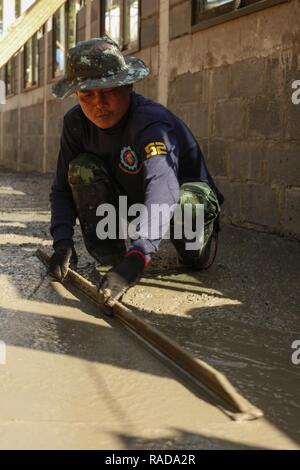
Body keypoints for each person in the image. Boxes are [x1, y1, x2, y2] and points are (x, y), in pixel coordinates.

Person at [49, 37, 224, 309]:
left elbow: (163, 188)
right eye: (87, 95)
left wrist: (139, 255)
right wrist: (62, 242)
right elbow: (61, 187)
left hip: (180, 198)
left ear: (127, 85)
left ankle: (193, 249)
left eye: (108, 91)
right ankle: (112, 255)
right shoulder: (75, 124)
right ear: (76, 95)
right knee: (81, 169)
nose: (99, 104)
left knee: (185, 206)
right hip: (129, 199)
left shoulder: (151, 123)